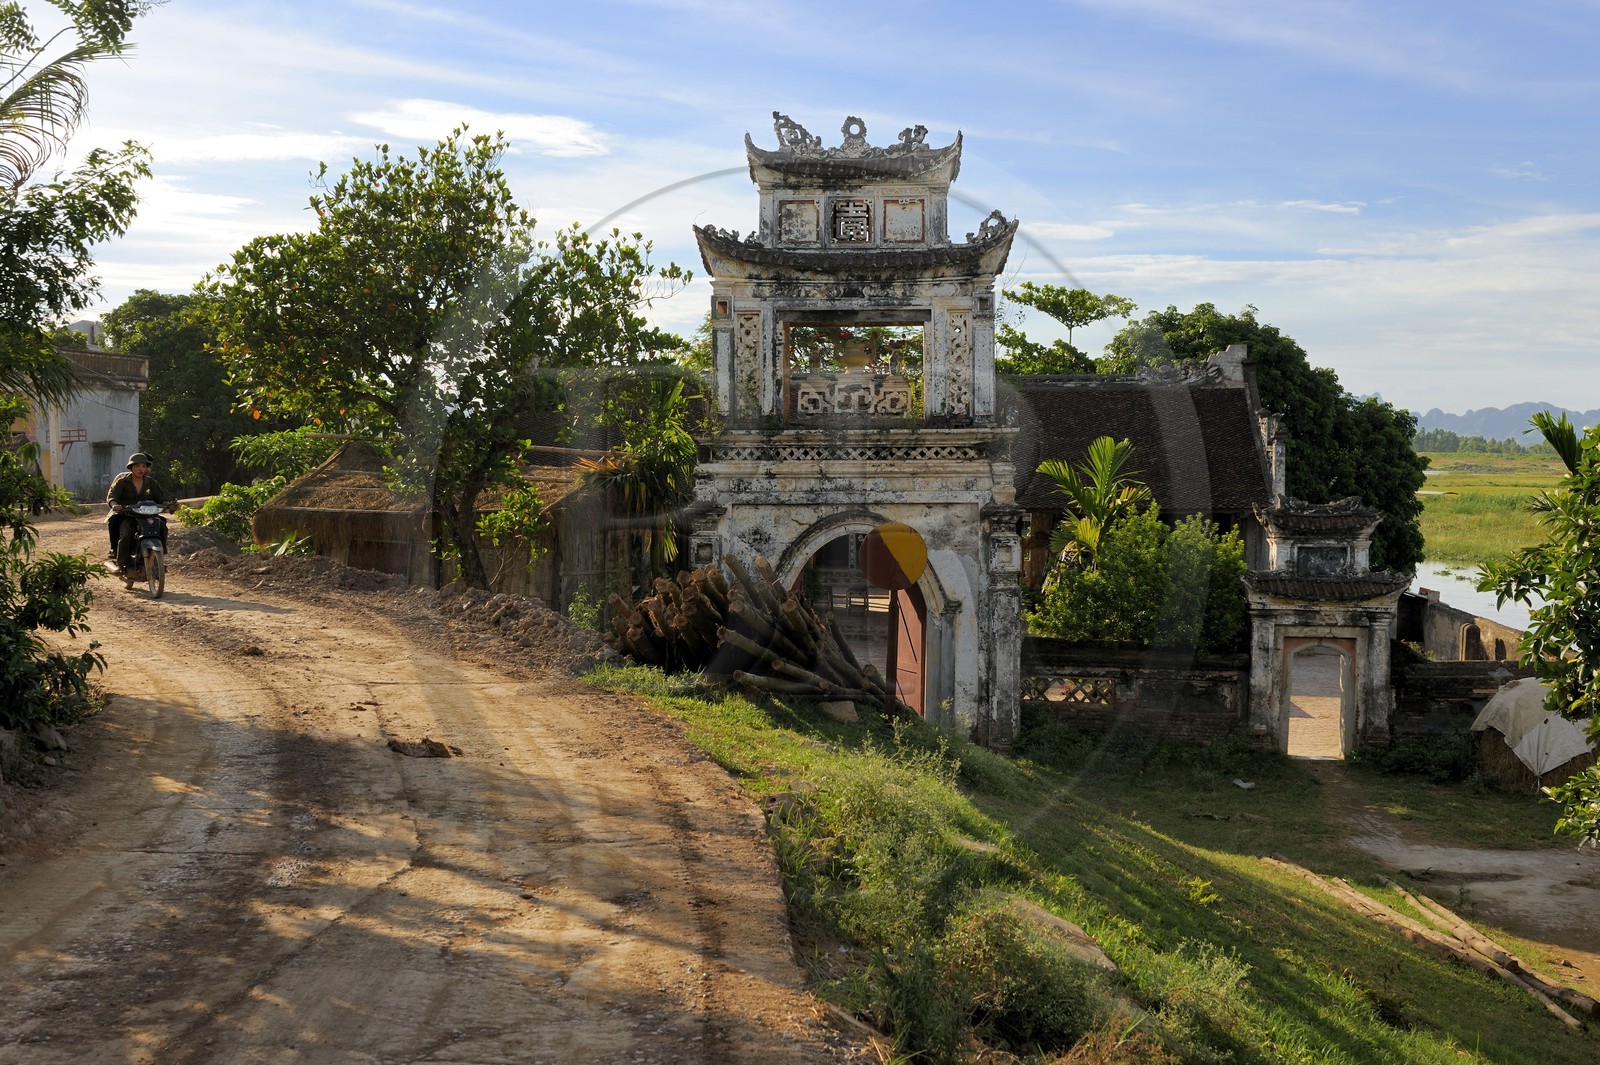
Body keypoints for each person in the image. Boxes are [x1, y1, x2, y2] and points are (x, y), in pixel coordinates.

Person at [106, 452, 175, 573]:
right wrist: (115, 505)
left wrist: (168, 505)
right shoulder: (122, 482)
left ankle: (159, 557)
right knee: (127, 532)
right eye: (137, 466)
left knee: (162, 526)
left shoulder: (151, 482)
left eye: (143, 466)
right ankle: (122, 563)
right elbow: (112, 496)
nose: (141, 469)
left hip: (147, 515)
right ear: (131, 467)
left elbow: (161, 498)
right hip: (129, 515)